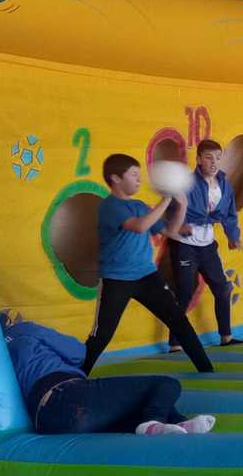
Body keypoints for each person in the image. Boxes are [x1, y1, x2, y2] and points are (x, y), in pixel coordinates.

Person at [83, 154, 215, 375]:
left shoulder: (139, 206)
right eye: (134, 175)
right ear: (115, 178)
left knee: (178, 320)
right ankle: (76, 376)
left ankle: (206, 369)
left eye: (139, 174)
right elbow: (140, 226)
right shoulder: (109, 206)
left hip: (147, 276)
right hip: (116, 279)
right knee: (102, 334)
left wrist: (182, 205)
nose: (139, 179)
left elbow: (171, 231)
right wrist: (166, 199)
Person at [1, 310, 216, 436]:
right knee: (166, 385)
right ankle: (152, 423)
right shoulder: (24, 330)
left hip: (48, 420)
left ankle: (179, 423)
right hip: (65, 394)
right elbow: (79, 353)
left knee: (138, 405)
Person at [168, 139, 243, 352]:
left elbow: (229, 213)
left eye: (217, 158)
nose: (214, 162)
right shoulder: (188, 182)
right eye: (209, 158)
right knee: (185, 292)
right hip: (185, 245)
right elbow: (173, 208)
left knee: (222, 289)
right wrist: (182, 223)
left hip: (207, 245)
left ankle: (226, 337)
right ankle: (175, 343)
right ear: (199, 159)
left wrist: (233, 235)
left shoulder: (224, 184)